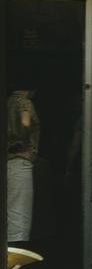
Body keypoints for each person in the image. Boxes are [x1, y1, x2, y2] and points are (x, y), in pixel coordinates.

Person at [7, 89, 40, 253]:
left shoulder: (8, 101)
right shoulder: (23, 102)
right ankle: (13, 267)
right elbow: (26, 122)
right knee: (19, 213)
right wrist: (23, 140)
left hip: (8, 160)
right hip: (19, 160)